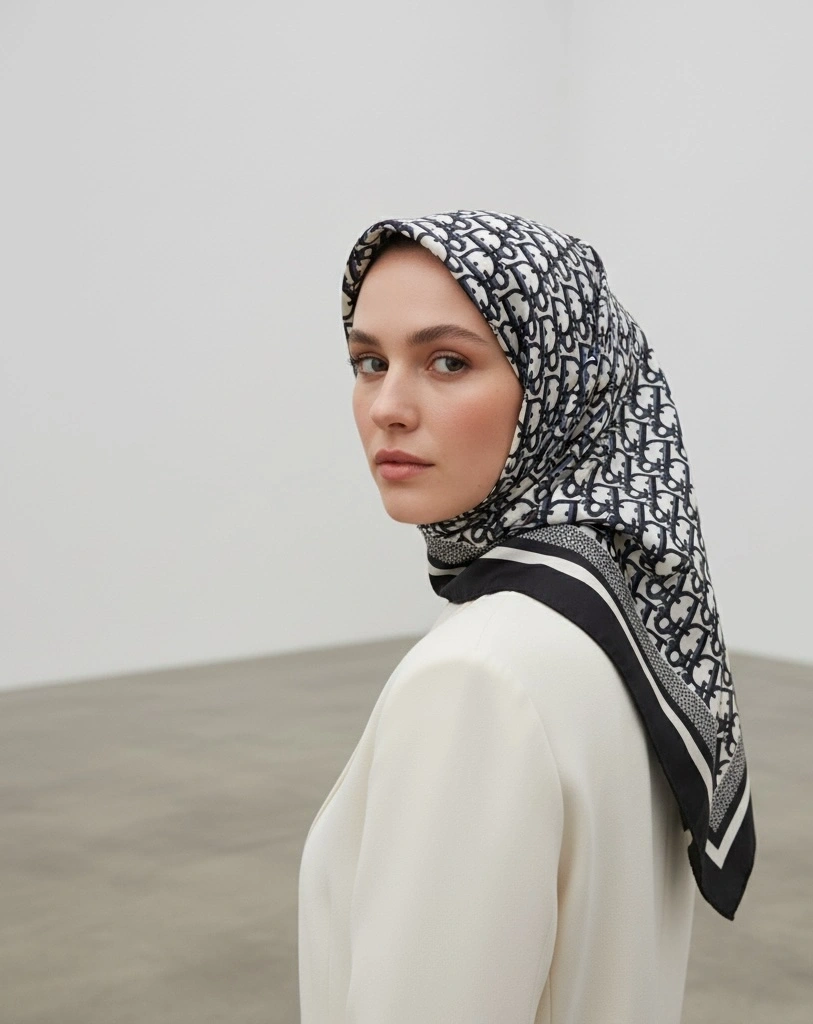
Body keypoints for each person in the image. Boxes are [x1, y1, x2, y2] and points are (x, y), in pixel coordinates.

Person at [297, 210, 755, 1024]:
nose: (387, 407)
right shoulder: (623, 626)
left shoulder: (474, 681)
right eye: (369, 362)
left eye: (447, 361)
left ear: (560, 387)